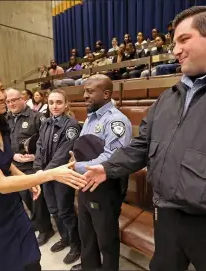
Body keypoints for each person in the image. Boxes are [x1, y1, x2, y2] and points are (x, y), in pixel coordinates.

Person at [82, 6, 206, 271]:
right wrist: (106, 168)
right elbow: (141, 146)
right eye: (174, 43)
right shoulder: (168, 97)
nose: (176, 51)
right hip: (168, 219)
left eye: (184, 40)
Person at [0, 65, 86, 271]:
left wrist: (23, 175)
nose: (2, 96)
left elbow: (5, 163)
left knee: (33, 264)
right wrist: (49, 174)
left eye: (1, 89)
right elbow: (1, 184)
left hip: (13, 212)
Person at [70, 74, 132, 271]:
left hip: (106, 187)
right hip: (86, 182)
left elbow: (113, 157)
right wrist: (76, 160)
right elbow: (82, 148)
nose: (85, 95)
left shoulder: (116, 121)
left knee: (106, 238)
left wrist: (77, 166)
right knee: (86, 232)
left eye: (90, 91)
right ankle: (89, 266)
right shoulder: (90, 117)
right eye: (84, 91)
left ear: (106, 94)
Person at [34, 89, 81, 265]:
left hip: (62, 176)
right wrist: (38, 169)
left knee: (65, 211)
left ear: (66, 104)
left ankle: (77, 245)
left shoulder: (71, 126)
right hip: (46, 175)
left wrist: (43, 174)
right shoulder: (45, 123)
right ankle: (65, 238)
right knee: (53, 210)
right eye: (52, 102)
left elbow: (62, 155)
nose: (55, 106)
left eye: (59, 102)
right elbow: (39, 147)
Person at [5, 88, 55, 247]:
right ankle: (36, 221)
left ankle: (46, 229)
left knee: (36, 198)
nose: (11, 103)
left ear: (22, 99)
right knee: (25, 197)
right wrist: (12, 155)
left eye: (14, 100)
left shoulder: (37, 117)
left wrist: (35, 156)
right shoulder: (5, 119)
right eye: (8, 101)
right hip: (14, 164)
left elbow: (45, 142)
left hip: (33, 165)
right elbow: (4, 143)